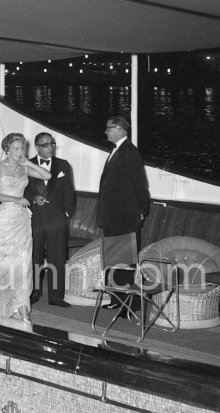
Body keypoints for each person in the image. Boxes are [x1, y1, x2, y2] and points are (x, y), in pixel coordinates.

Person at [0, 133, 51, 323]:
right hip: (5, 220)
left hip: (22, 221)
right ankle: (7, 307)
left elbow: (48, 175)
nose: (19, 151)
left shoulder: (24, 168)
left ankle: (22, 310)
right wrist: (15, 199)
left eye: (21, 148)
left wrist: (29, 163)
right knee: (5, 265)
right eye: (15, 148)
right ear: (6, 149)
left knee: (23, 265)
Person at [97, 115, 149, 310]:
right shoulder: (117, 151)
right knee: (113, 259)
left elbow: (140, 185)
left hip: (125, 216)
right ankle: (116, 300)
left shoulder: (129, 152)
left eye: (108, 128)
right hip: (113, 216)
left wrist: (141, 210)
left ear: (119, 128)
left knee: (126, 263)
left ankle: (131, 305)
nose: (106, 132)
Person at [24, 132, 75, 307]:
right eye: (45, 145)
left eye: (52, 144)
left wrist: (66, 214)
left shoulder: (63, 165)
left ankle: (56, 297)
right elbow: (22, 189)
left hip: (57, 218)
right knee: (34, 256)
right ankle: (34, 293)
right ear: (37, 147)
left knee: (57, 257)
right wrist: (32, 199)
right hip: (35, 217)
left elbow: (69, 191)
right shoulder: (26, 164)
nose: (50, 147)